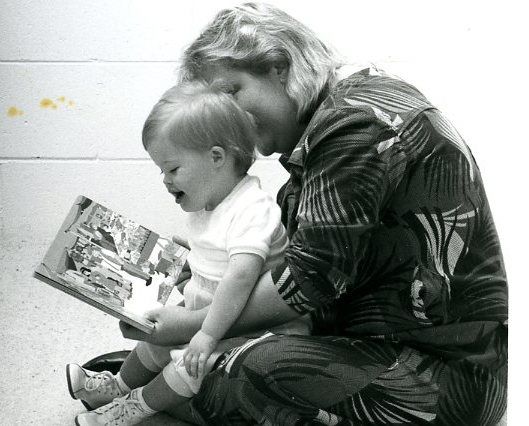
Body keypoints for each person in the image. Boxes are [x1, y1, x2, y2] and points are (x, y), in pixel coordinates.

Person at [85, 3, 508, 425]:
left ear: (278, 68)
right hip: (382, 342)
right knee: (226, 342)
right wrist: (212, 264)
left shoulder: (355, 128)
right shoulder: (340, 116)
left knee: (257, 363)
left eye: (230, 92)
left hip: (443, 382)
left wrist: (193, 326)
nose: (227, 119)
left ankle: (165, 396)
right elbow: (306, 259)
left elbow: (309, 280)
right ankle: (176, 378)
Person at [66, 81, 310, 425]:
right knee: (154, 344)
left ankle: (134, 407)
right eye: (162, 171)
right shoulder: (209, 204)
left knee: (188, 363)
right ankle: (117, 386)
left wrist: (206, 335)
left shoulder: (252, 208)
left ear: (216, 158)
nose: (165, 180)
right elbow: (216, 263)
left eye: (173, 169)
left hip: (261, 333)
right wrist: (188, 264)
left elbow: (241, 275)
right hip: (219, 317)